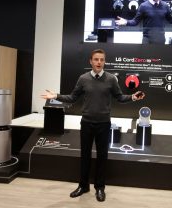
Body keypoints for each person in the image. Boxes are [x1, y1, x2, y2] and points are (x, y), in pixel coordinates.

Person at [41, 49, 145, 202]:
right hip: (87, 123)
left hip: (104, 124)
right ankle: (83, 186)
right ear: (91, 61)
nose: (99, 62)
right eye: (96, 59)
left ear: (104, 62)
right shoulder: (83, 79)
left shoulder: (111, 79)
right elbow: (72, 97)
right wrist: (56, 96)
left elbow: (120, 97)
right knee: (85, 156)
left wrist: (133, 97)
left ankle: (100, 188)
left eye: (102, 60)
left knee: (102, 157)